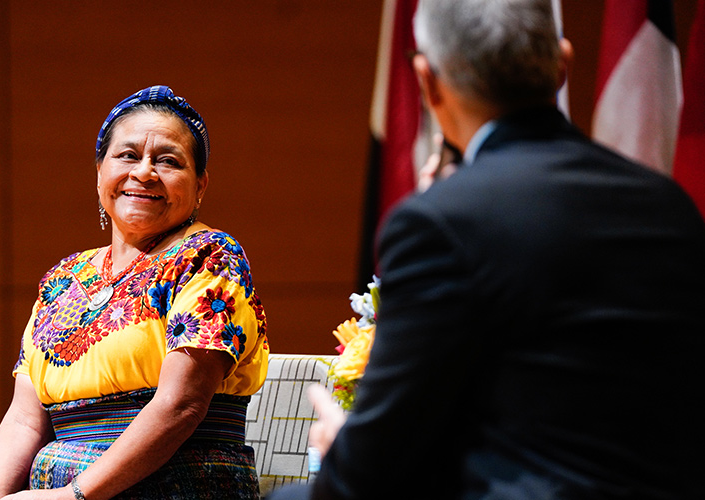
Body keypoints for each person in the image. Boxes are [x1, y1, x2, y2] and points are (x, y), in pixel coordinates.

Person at [269, 0, 705, 498]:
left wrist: (340, 446)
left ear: (427, 81)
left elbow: (372, 472)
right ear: (562, 64)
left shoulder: (441, 220)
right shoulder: (669, 204)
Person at [0, 85, 269, 500]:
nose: (144, 172)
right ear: (99, 174)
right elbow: (24, 419)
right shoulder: (63, 278)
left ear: (199, 186)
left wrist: (74, 495)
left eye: (167, 161)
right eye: (127, 156)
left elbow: (181, 406)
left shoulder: (210, 256)